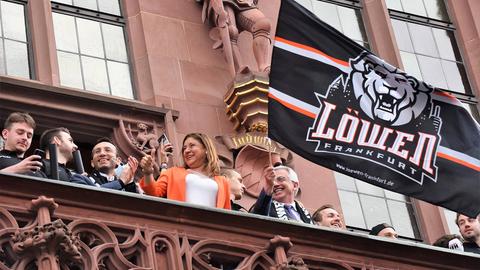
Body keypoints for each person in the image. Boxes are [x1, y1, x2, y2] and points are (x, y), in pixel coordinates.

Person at [139, 132, 231, 209]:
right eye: (184, 148)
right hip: (182, 227)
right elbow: (155, 193)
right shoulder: (173, 172)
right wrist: (148, 173)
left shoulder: (223, 182)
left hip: (212, 228)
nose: (186, 151)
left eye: (192, 146)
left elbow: (227, 214)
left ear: (206, 149)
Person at [0, 112, 44, 177]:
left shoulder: (38, 168)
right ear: (5, 134)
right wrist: (16, 169)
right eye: (20, 133)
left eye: (29, 136)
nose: (25, 138)